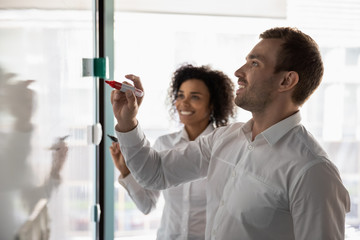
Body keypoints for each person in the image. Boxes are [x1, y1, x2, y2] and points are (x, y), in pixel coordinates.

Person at [110, 27, 351, 239]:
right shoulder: (223, 139)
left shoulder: (312, 171)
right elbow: (155, 174)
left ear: (287, 80)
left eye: (255, 63)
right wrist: (127, 121)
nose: (239, 71)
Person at [109, 64, 235, 239]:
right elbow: (147, 205)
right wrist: (126, 172)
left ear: (212, 104)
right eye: (180, 95)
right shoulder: (164, 143)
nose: (183, 102)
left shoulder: (225, 147)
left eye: (195, 97)